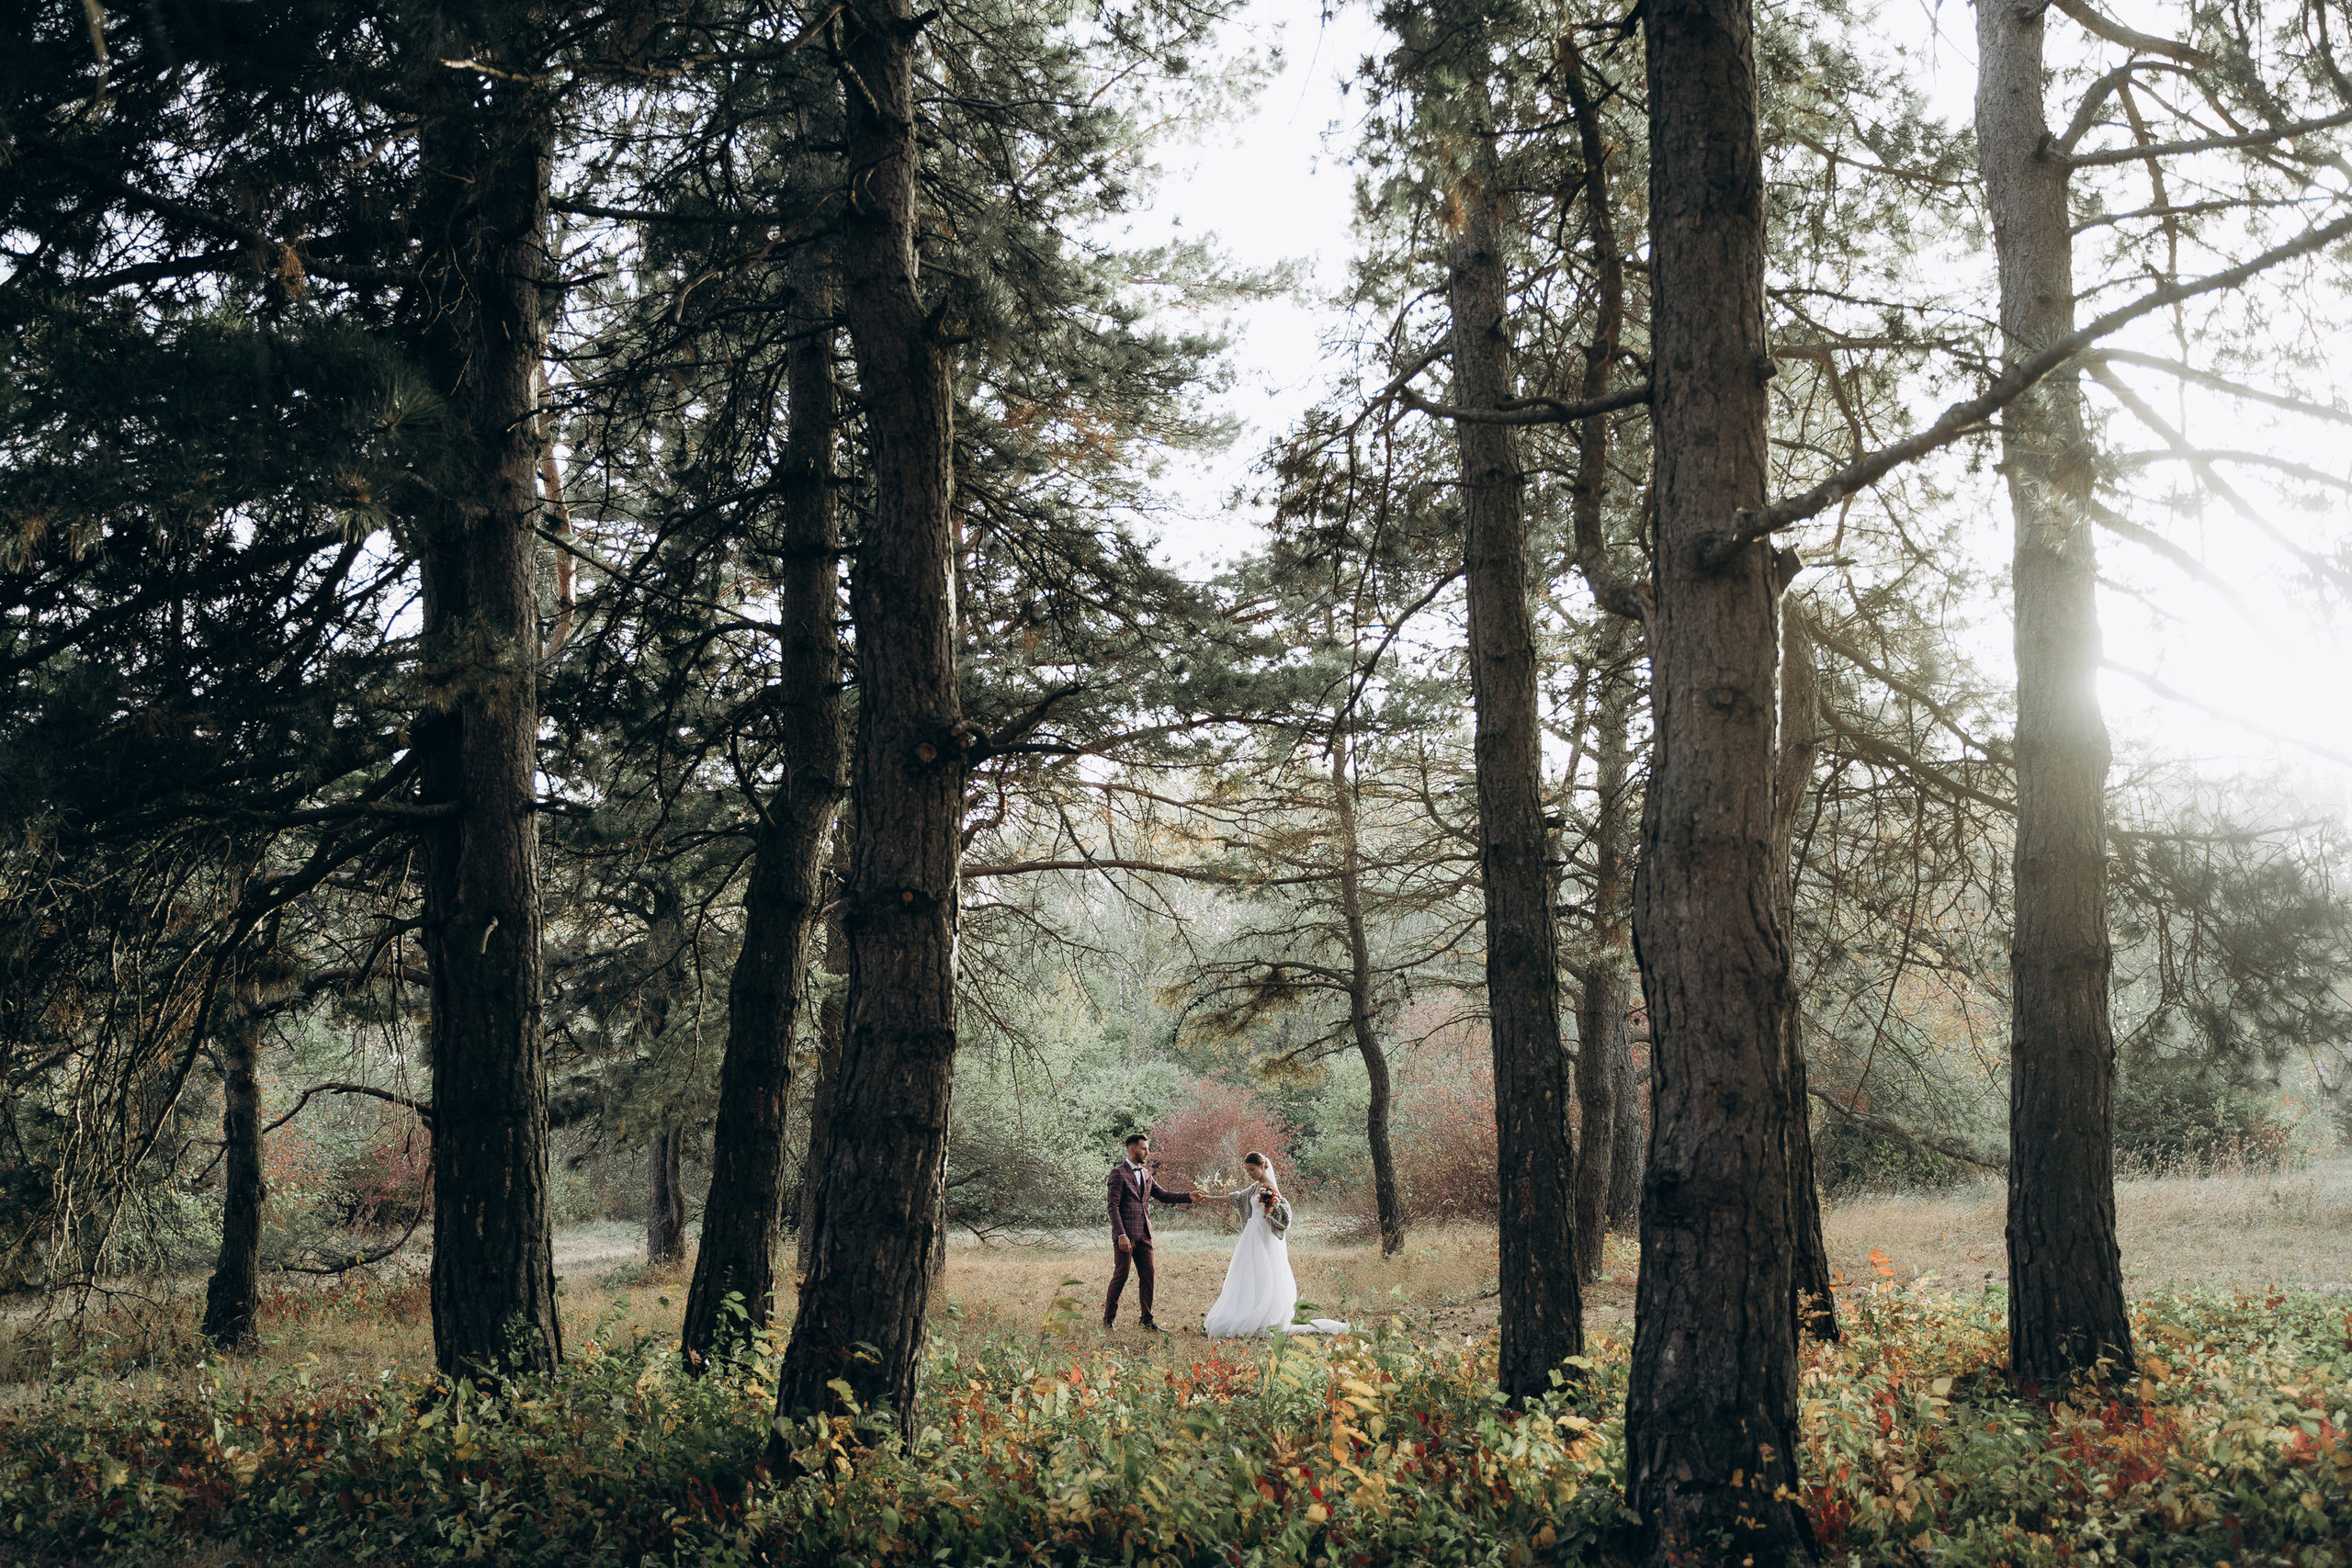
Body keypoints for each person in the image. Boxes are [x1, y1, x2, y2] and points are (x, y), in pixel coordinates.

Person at [1204, 1150, 1344, 1337]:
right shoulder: (1255, 1187)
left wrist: (1270, 1209)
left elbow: (1283, 1213)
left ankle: (1263, 1315)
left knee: (1265, 1272)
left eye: (1253, 1169)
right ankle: (1246, 1309)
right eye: (1247, 1171)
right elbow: (1236, 1198)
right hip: (1251, 1235)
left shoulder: (1269, 1187)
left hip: (1264, 1235)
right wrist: (1207, 1199)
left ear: (1263, 1166)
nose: (1250, 1173)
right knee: (1247, 1273)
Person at [1102, 1132, 1200, 1332]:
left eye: (1148, 1148)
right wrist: (1121, 1234)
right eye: (1143, 1148)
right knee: (1121, 1275)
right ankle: (1108, 1320)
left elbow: (1163, 1195)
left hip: (1145, 1235)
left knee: (1149, 1275)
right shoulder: (1118, 1173)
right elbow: (1112, 1206)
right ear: (1132, 1150)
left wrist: (1188, 1196)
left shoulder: (1146, 1174)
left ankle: (1147, 1321)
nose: (1147, 1152)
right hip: (1126, 1236)